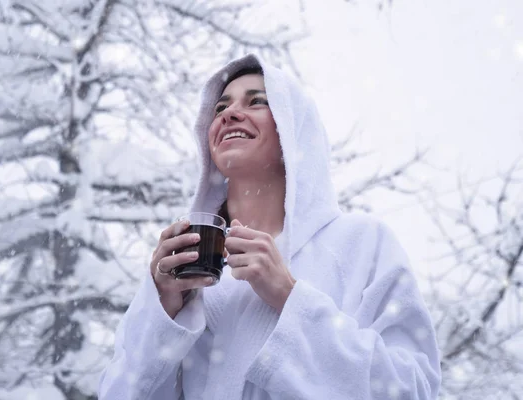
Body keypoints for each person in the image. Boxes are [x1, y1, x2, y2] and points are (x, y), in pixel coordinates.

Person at [98, 54, 441, 399]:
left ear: (293, 131)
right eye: (220, 108)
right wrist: (163, 310)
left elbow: (413, 389)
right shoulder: (186, 276)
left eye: (257, 101)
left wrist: (289, 296)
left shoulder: (361, 244)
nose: (230, 113)